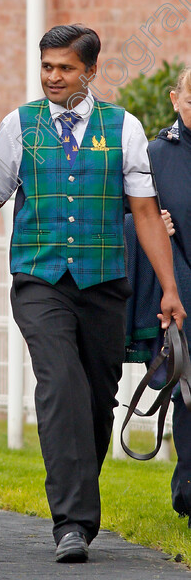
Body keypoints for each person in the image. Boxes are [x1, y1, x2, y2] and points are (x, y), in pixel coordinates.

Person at [0, 24, 186, 563]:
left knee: (96, 401)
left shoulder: (122, 128)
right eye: (46, 67)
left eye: (64, 68)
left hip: (106, 285)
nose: (53, 77)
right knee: (59, 386)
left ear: (91, 72)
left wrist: (169, 289)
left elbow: (147, 214)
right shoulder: (20, 125)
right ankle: (72, 523)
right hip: (39, 281)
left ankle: (80, 500)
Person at [125, 66, 191, 526]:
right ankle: (189, 491)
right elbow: (127, 217)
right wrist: (150, 227)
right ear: (174, 98)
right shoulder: (155, 154)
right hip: (184, 295)